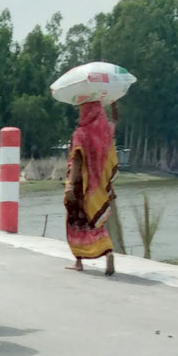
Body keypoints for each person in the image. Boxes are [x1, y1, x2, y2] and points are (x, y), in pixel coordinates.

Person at [64, 101, 118, 274]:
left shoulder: (81, 133)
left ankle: (78, 261)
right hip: (99, 185)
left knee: (76, 221)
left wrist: (71, 185)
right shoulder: (105, 132)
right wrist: (114, 106)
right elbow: (115, 121)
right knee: (95, 220)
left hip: (81, 185)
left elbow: (77, 161)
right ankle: (107, 251)